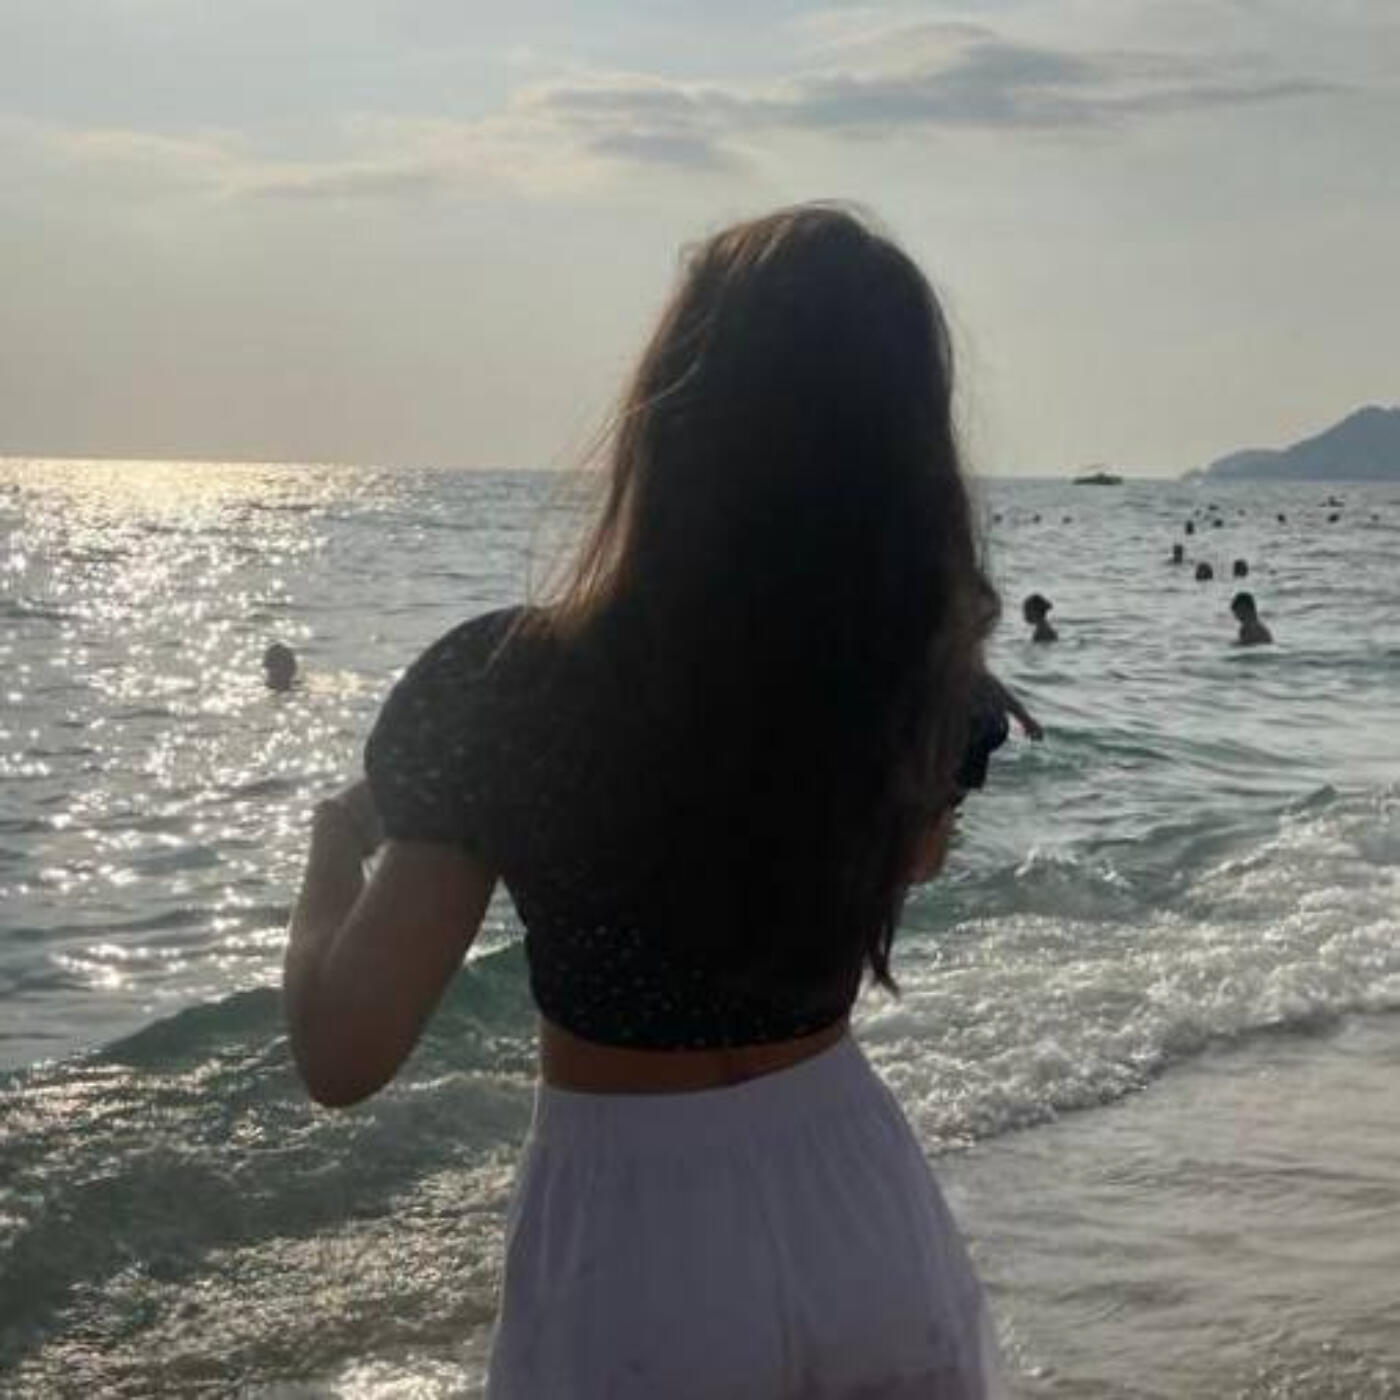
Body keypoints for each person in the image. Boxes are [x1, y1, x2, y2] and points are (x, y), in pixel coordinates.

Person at [283, 207, 1003, 1398]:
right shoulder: (919, 692)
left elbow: (341, 1051)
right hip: (861, 1205)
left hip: (635, 1243)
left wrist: (329, 850)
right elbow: (905, 858)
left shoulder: (509, 685)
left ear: (673, 414)